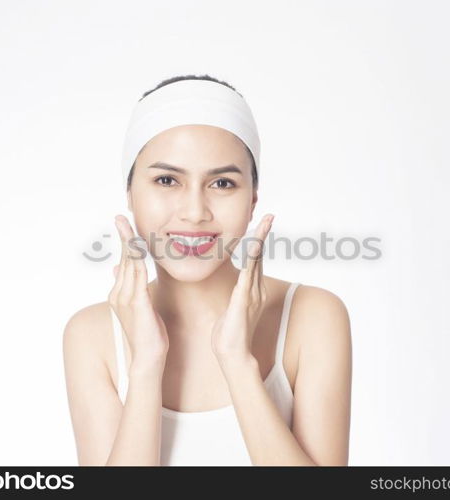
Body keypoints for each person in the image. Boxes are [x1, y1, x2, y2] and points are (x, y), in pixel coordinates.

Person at [62, 74, 352, 466]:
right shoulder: (92, 336)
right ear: (130, 193)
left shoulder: (312, 316)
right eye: (167, 180)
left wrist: (237, 362)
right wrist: (146, 364)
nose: (195, 212)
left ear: (253, 199)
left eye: (222, 183)